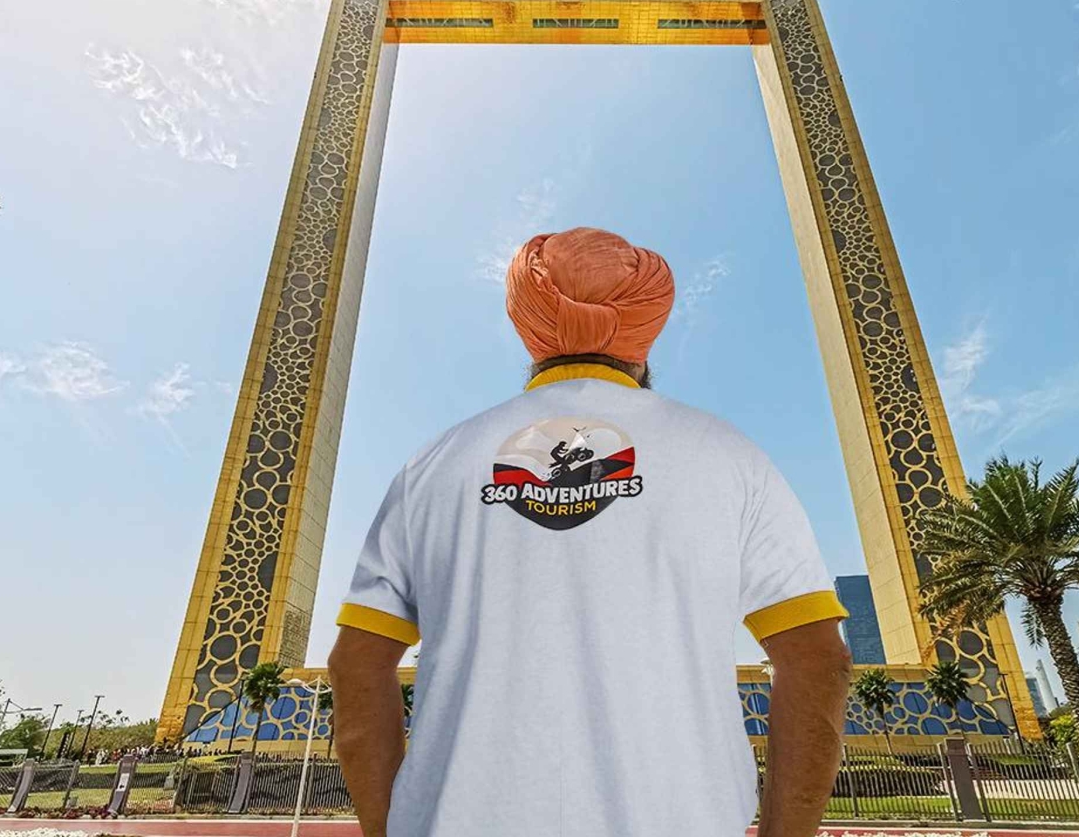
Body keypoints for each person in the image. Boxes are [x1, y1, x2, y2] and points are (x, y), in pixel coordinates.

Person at [328, 227, 851, 837]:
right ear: (644, 338)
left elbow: (356, 665)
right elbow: (817, 659)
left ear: (530, 330)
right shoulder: (730, 457)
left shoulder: (434, 466)